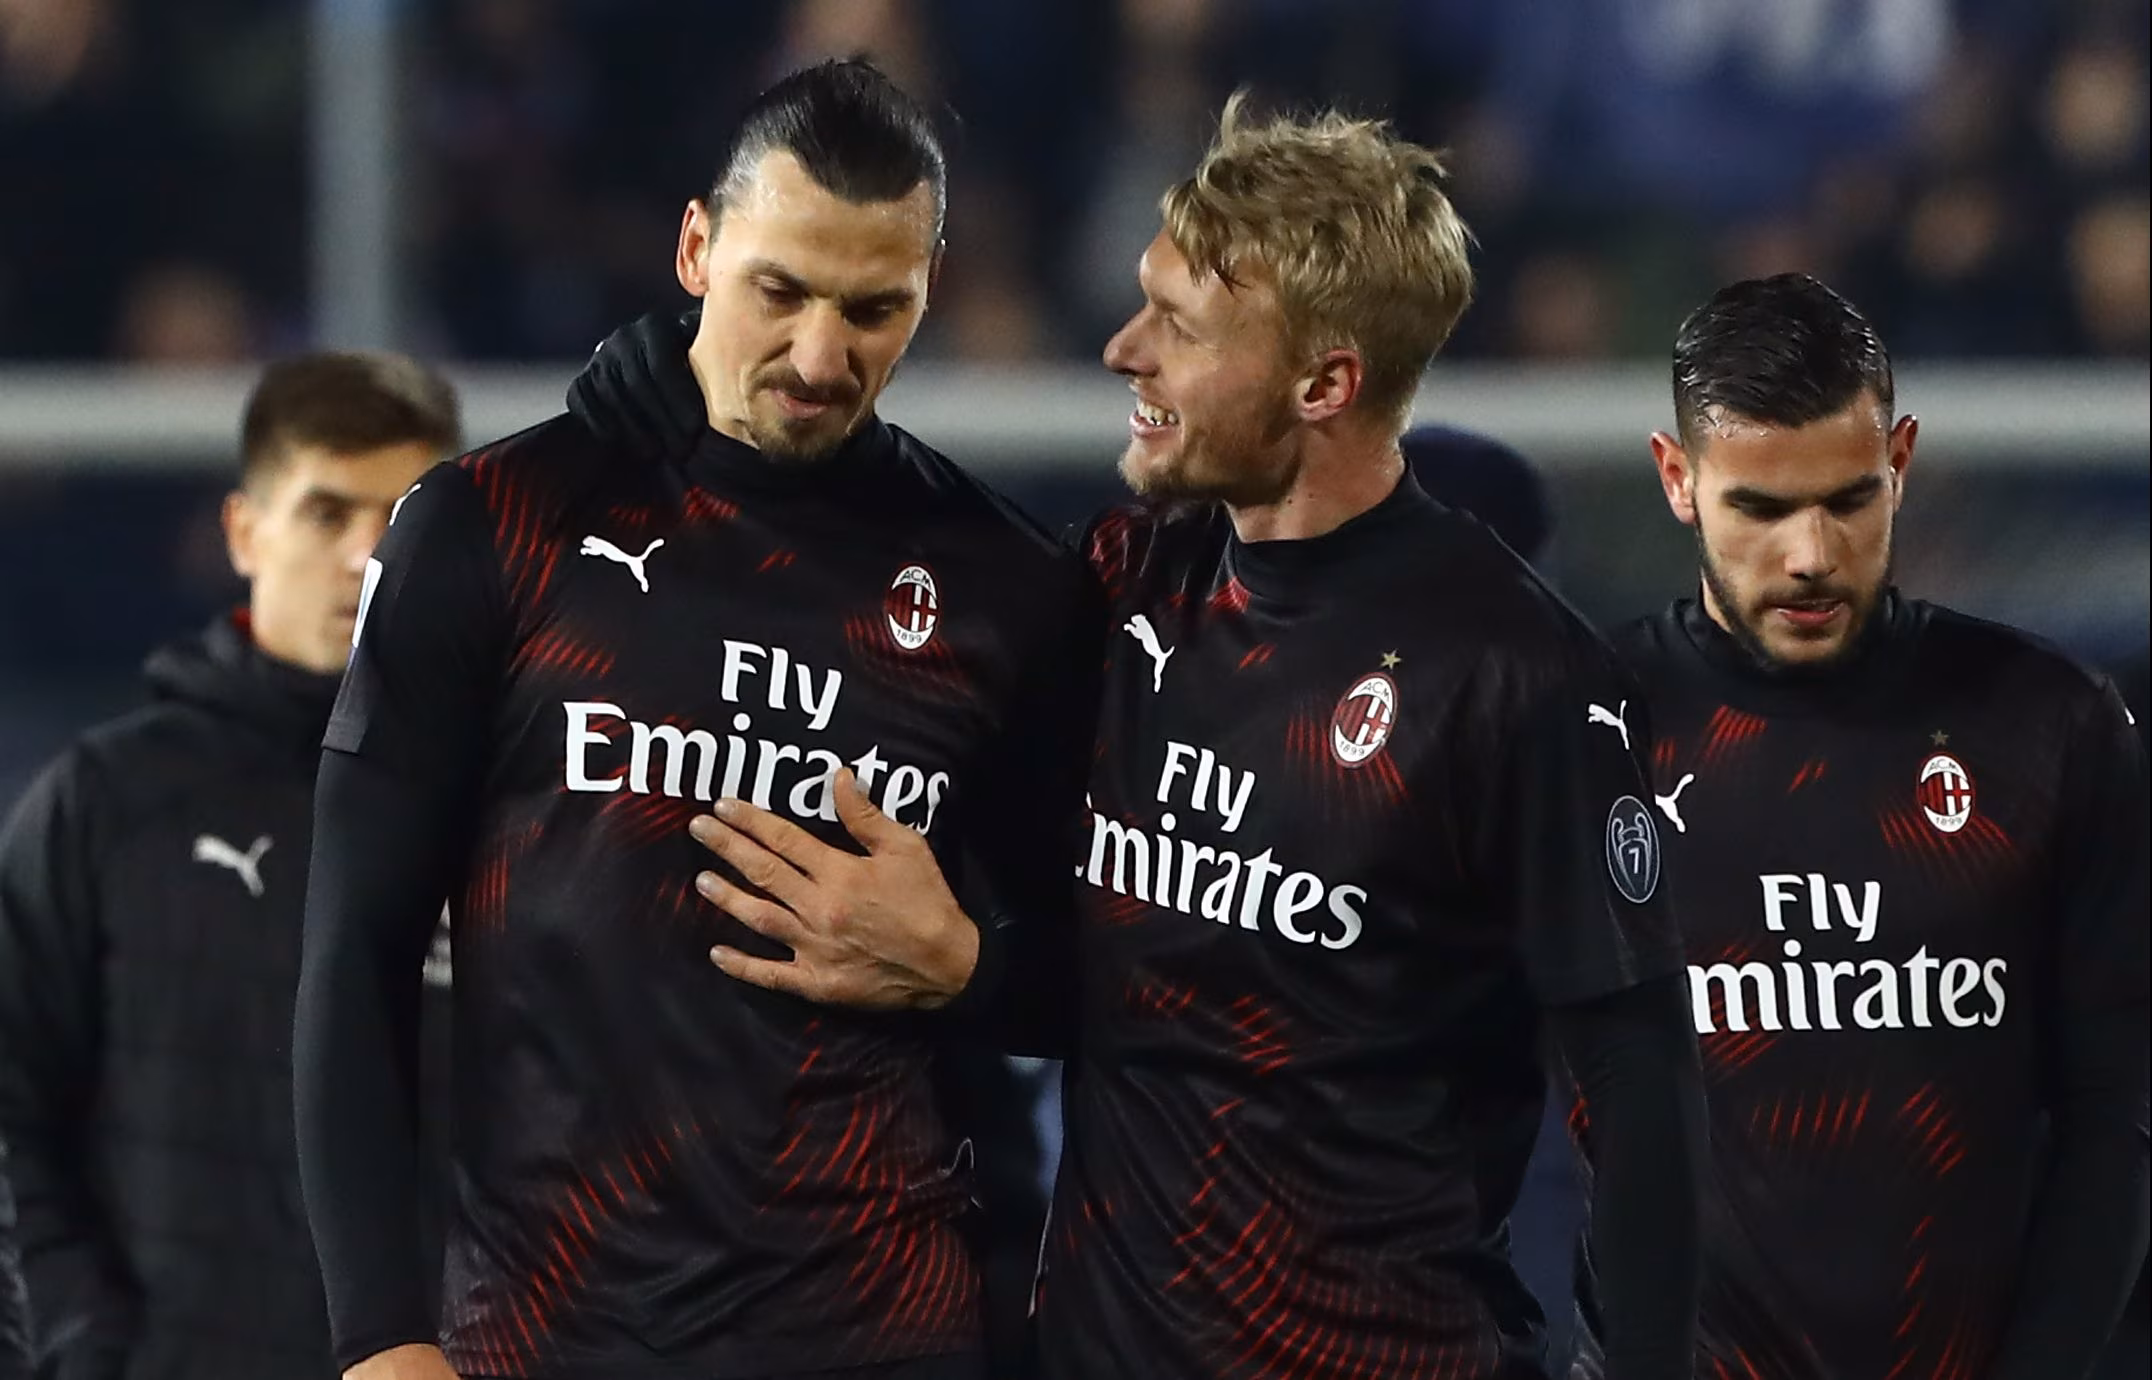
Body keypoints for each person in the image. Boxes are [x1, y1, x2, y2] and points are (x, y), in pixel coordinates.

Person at [612, 95, 1705, 1379]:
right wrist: (659, 402)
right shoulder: (1126, 580)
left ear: (1323, 385)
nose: (1124, 351)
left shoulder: (1518, 676)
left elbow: (1638, 1090)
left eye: (1178, 327)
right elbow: (877, 557)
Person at [294, 60, 1092, 1380]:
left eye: (873, 309)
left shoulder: (1004, 590)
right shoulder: (494, 529)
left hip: (879, 1338)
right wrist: (378, 1335)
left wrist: (970, 967)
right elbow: (354, 953)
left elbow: (1116, 981)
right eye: (780, 291)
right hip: (551, 1335)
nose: (822, 356)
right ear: (694, 250)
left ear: (929, 290)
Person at [1598, 273, 2149, 1379]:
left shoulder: (2051, 725)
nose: (1810, 554)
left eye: (1849, 500)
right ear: (1677, 479)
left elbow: (2118, 1114)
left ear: (1900, 462)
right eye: (1760, 508)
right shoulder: (1584, 728)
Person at [0, 352, 460, 1380]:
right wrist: (80, 1343)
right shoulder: (107, 803)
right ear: (245, 533)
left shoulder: (516, 817)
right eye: (326, 513)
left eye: (404, 521)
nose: (366, 557)